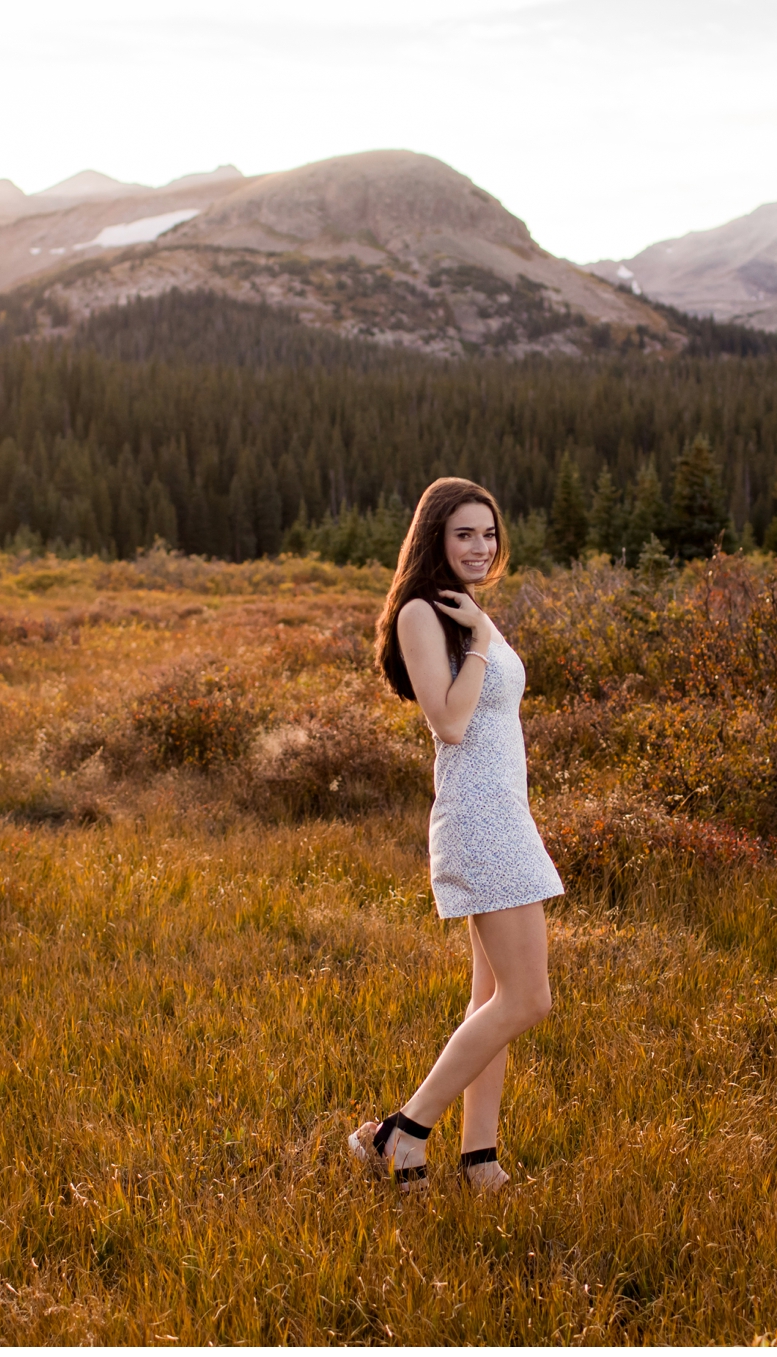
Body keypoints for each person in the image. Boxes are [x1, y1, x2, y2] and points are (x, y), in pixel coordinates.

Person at [350, 477, 565, 1195]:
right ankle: (399, 1133)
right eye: (464, 533)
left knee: (492, 1002)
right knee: (528, 999)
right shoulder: (421, 613)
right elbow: (448, 721)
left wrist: (478, 629)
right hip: (479, 819)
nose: (481, 546)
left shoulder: (467, 612)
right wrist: (476, 643)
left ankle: (480, 1161)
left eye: (489, 532)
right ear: (435, 537)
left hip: (509, 812)